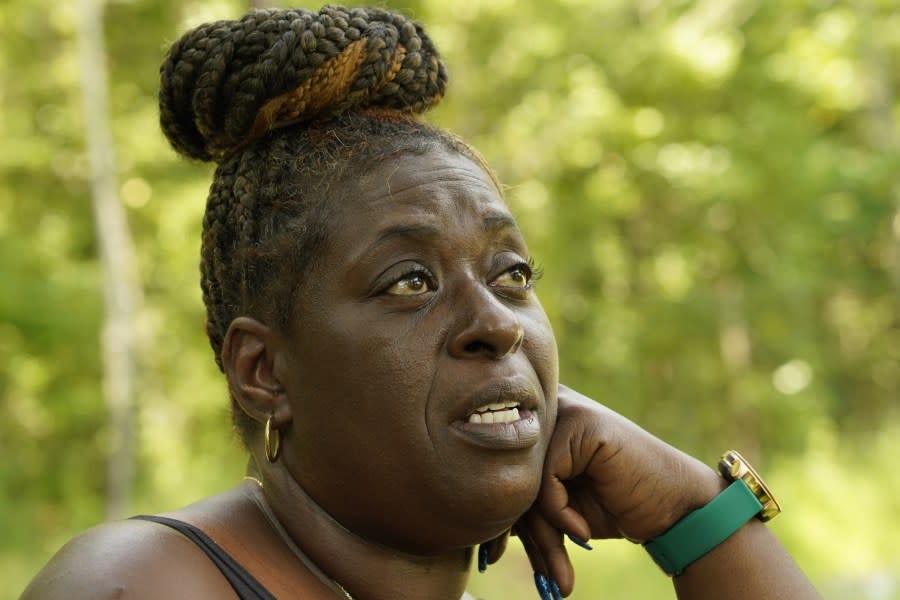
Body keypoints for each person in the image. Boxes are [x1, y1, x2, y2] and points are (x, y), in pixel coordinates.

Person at [22, 5, 820, 599]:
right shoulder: (147, 584)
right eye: (410, 282)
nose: (497, 324)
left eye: (512, 273)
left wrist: (690, 507)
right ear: (263, 370)